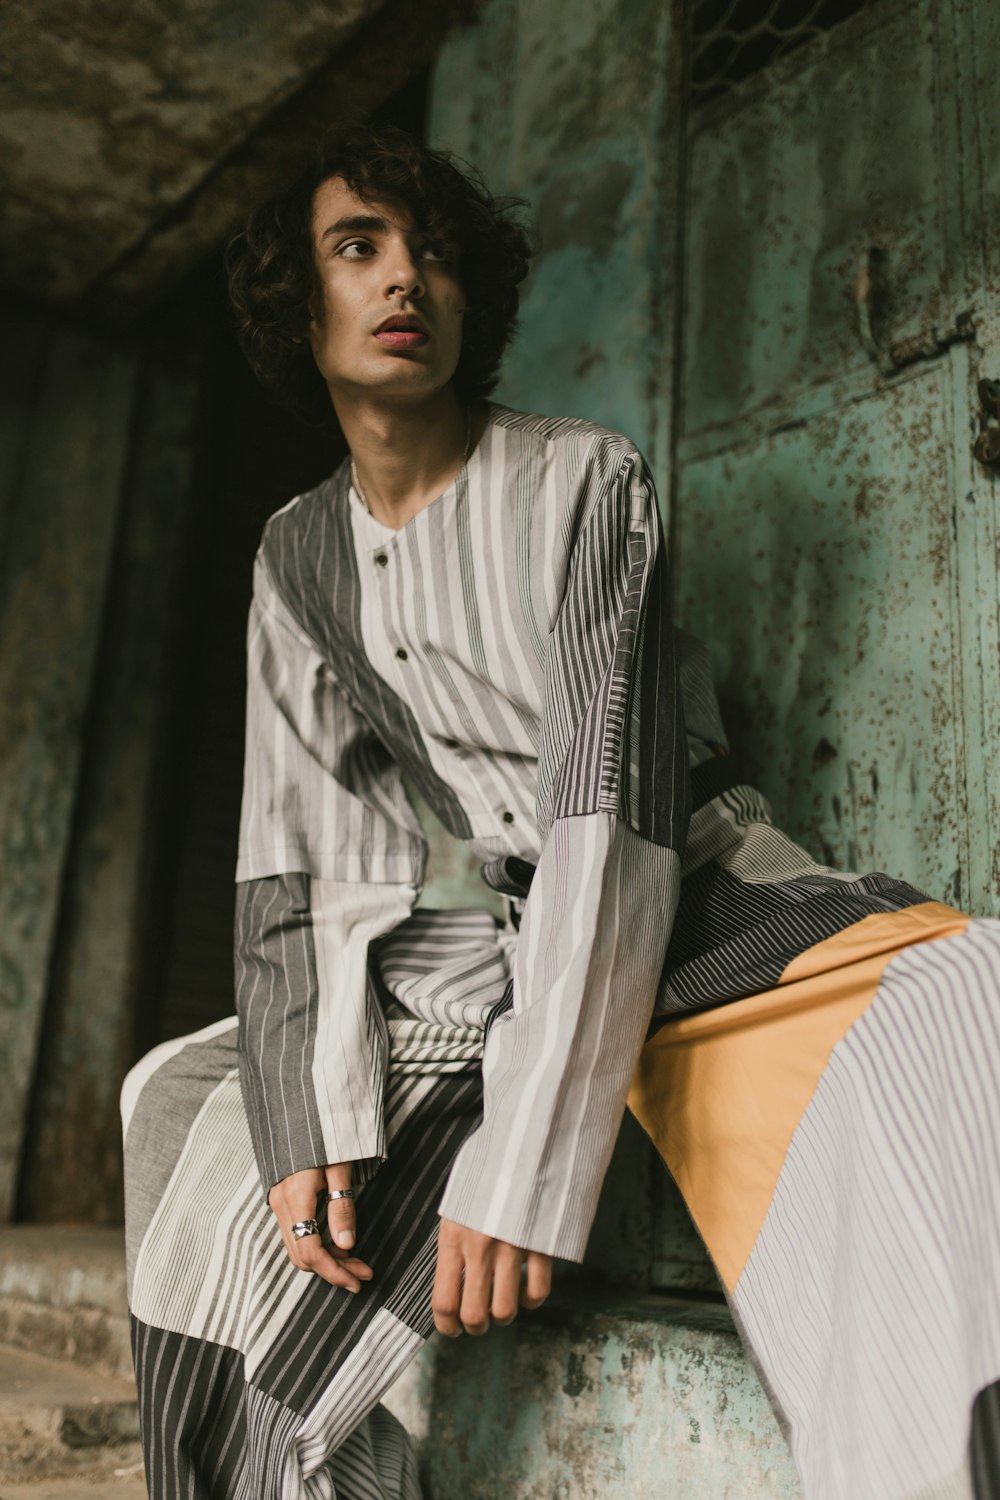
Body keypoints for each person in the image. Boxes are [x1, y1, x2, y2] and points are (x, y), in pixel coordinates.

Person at [121, 120, 1000, 1500]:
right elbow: (303, 855)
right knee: (192, 1107)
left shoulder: (585, 480)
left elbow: (612, 822)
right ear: (305, 307)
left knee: (965, 994)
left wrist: (525, 1165)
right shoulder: (295, 553)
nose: (406, 279)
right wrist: (309, 1114)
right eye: (360, 248)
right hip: (476, 941)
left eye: (436, 255)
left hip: (689, 892)